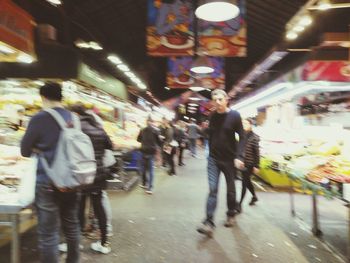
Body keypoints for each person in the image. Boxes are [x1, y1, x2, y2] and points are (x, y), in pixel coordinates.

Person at [21, 82, 81, 263]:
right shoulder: (74, 118)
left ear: (43, 97)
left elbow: (24, 150)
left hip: (47, 180)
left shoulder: (40, 118)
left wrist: (39, 149)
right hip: (72, 179)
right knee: (71, 225)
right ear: (61, 97)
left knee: (48, 233)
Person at [197, 89, 245, 237]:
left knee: (231, 190)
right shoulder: (212, 116)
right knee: (213, 190)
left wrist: (239, 156)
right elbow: (212, 134)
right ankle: (208, 222)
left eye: (220, 99)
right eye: (214, 100)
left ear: (226, 100)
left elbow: (242, 137)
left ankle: (231, 213)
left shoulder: (235, 116)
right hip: (213, 159)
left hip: (230, 160)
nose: (217, 103)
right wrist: (202, 133)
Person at [71, 104, 113, 254]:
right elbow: (110, 145)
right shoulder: (97, 126)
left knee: (79, 207)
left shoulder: (74, 128)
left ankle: (76, 244)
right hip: (98, 173)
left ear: (75, 113)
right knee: (99, 207)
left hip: (81, 174)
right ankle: (103, 243)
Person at [237, 118, 260, 213]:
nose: (244, 125)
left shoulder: (254, 137)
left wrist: (257, 166)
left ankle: (239, 205)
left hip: (250, 164)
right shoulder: (242, 136)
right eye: (243, 123)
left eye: (246, 123)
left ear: (251, 125)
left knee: (244, 183)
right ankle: (254, 197)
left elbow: (257, 153)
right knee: (247, 181)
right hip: (243, 162)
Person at [137, 116, 161, 194]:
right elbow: (159, 142)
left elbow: (138, 139)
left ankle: (144, 183)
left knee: (143, 169)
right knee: (150, 170)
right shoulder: (156, 130)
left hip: (143, 151)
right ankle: (150, 188)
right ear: (152, 122)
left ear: (146, 122)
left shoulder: (142, 130)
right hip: (151, 152)